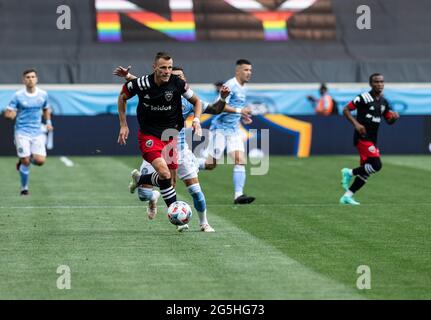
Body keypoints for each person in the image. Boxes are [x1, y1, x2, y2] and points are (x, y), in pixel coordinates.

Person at [114, 65, 251, 231]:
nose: (175, 79)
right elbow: (143, 83)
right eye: (173, 76)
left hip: (178, 149)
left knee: (194, 189)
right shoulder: (158, 93)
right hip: (156, 146)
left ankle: (203, 223)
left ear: (184, 81)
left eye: (179, 77)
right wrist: (128, 76)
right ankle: (152, 195)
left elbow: (215, 109)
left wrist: (222, 99)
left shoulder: (189, 101)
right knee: (144, 195)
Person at [117, 52, 202, 211]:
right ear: (154, 67)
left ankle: (142, 181)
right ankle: (177, 214)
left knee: (170, 181)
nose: (167, 71)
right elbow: (122, 97)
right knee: (164, 174)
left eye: (169, 67)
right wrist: (123, 124)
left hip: (171, 137)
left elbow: (197, 101)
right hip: (150, 136)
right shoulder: (142, 83)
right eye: (163, 67)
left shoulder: (177, 84)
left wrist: (196, 120)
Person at [198, 59, 255, 205]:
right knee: (211, 165)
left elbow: (236, 108)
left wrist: (242, 116)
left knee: (240, 160)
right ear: (238, 71)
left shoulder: (243, 88)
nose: (249, 73)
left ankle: (238, 195)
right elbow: (219, 106)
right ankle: (189, 164)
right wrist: (240, 110)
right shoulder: (230, 86)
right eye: (246, 70)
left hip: (234, 130)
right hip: (220, 129)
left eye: (250, 70)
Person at [339, 73, 399, 205]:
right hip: (362, 137)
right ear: (371, 84)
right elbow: (346, 110)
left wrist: (394, 118)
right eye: (376, 82)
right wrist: (356, 124)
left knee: (366, 171)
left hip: (372, 139)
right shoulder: (364, 97)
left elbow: (389, 120)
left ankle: (347, 197)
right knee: (376, 165)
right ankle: (349, 172)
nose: (380, 84)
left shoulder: (383, 101)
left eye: (381, 82)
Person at [3, 69, 53, 196]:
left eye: (33, 77)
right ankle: (24, 188)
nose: (30, 79)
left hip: (37, 131)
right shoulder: (17, 95)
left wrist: (48, 123)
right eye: (28, 77)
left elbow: (46, 108)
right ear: (23, 80)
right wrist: (10, 115)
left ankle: (23, 160)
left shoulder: (43, 94)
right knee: (26, 161)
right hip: (21, 131)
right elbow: (8, 112)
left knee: (40, 161)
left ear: (36, 79)